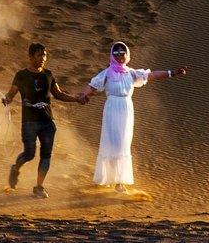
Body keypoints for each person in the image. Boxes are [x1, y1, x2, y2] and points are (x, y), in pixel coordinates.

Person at [78, 41, 187, 193]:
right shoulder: (106, 73)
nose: (119, 56)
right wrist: (83, 95)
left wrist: (171, 73)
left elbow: (151, 75)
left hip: (126, 109)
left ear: (127, 55)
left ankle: (120, 182)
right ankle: (110, 179)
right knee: (111, 142)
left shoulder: (131, 73)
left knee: (123, 143)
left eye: (122, 53)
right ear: (112, 55)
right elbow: (92, 86)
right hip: (111, 108)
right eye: (116, 53)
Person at [2, 42, 83, 199]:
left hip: (47, 122)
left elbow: (58, 94)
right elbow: (11, 94)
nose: (43, 58)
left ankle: (39, 187)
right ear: (31, 57)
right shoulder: (21, 75)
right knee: (29, 154)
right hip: (29, 122)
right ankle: (16, 168)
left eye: (44, 55)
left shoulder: (49, 75)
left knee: (46, 154)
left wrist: (76, 99)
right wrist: (7, 99)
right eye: (40, 55)